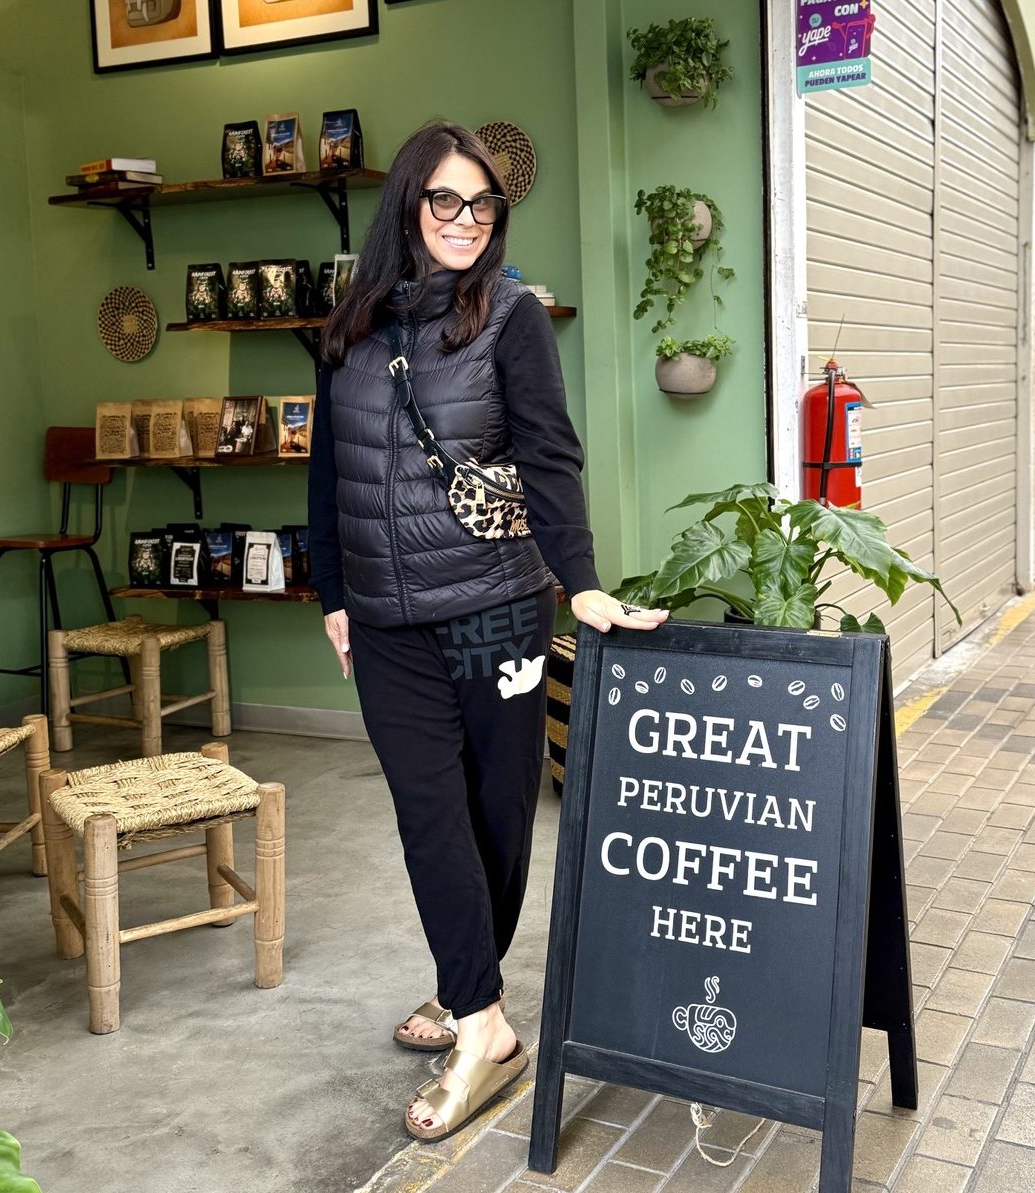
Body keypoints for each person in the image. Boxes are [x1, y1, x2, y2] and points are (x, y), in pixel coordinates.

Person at [306, 121, 667, 1142]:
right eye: (445, 201)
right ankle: (484, 1022)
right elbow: (325, 475)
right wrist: (333, 591)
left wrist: (583, 585)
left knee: (497, 812)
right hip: (385, 622)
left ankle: (467, 989)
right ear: (408, 207)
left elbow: (550, 458)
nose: (466, 221)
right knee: (430, 814)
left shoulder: (511, 319)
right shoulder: (351, 326)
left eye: (483, 205)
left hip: (495, 607)